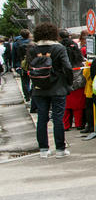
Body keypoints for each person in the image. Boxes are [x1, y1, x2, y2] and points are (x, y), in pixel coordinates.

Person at [27, 23, 73, 158]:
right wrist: (68, 82)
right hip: (58, 87)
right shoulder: (59, 48)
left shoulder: (33, 49)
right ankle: (60, 149)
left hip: (39, 88)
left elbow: (29, 67)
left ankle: (43, 149)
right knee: (58, 118)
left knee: (42, 118)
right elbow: (67, 67)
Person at [60, 30, 86, 131]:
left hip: (64, 83)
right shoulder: (79, 59)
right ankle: (79, 124)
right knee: (78, 106)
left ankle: (66, 125)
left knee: (65, 106)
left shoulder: (60, 52)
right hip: (78, 83)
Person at [13, 29, 32, 102]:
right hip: (31, 63)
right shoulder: (32, 43)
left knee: (24, 81)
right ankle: (32, 94)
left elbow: (14, 55)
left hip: (21, 64)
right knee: (34, 80)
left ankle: (27, 96)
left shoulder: (16, 43)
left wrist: (14, 65)